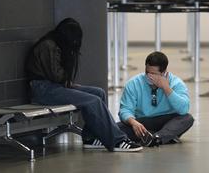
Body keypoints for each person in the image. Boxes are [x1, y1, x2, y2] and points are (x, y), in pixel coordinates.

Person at [26, 17, 142, 152]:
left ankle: (90, 138)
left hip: (52, 86)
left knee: (98, 92)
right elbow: (57, 76)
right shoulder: (48, 46)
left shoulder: (55, 44)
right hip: (43, 89)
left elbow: (58, 78)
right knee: (93, 101)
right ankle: (118, 140)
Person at [118, 51, 194, 147]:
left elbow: (183, 109)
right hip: (142, 122)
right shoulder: (133, 83)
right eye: (147, 72)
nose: (149, 76)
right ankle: (166, 137)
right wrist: (133, 123)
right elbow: (125, 109)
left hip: (168, 120)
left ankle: (156, 138)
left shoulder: (176, 83)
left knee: (187, 118)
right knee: (116, 128)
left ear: (163, 73)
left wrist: (166, 88)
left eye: (153, 74)